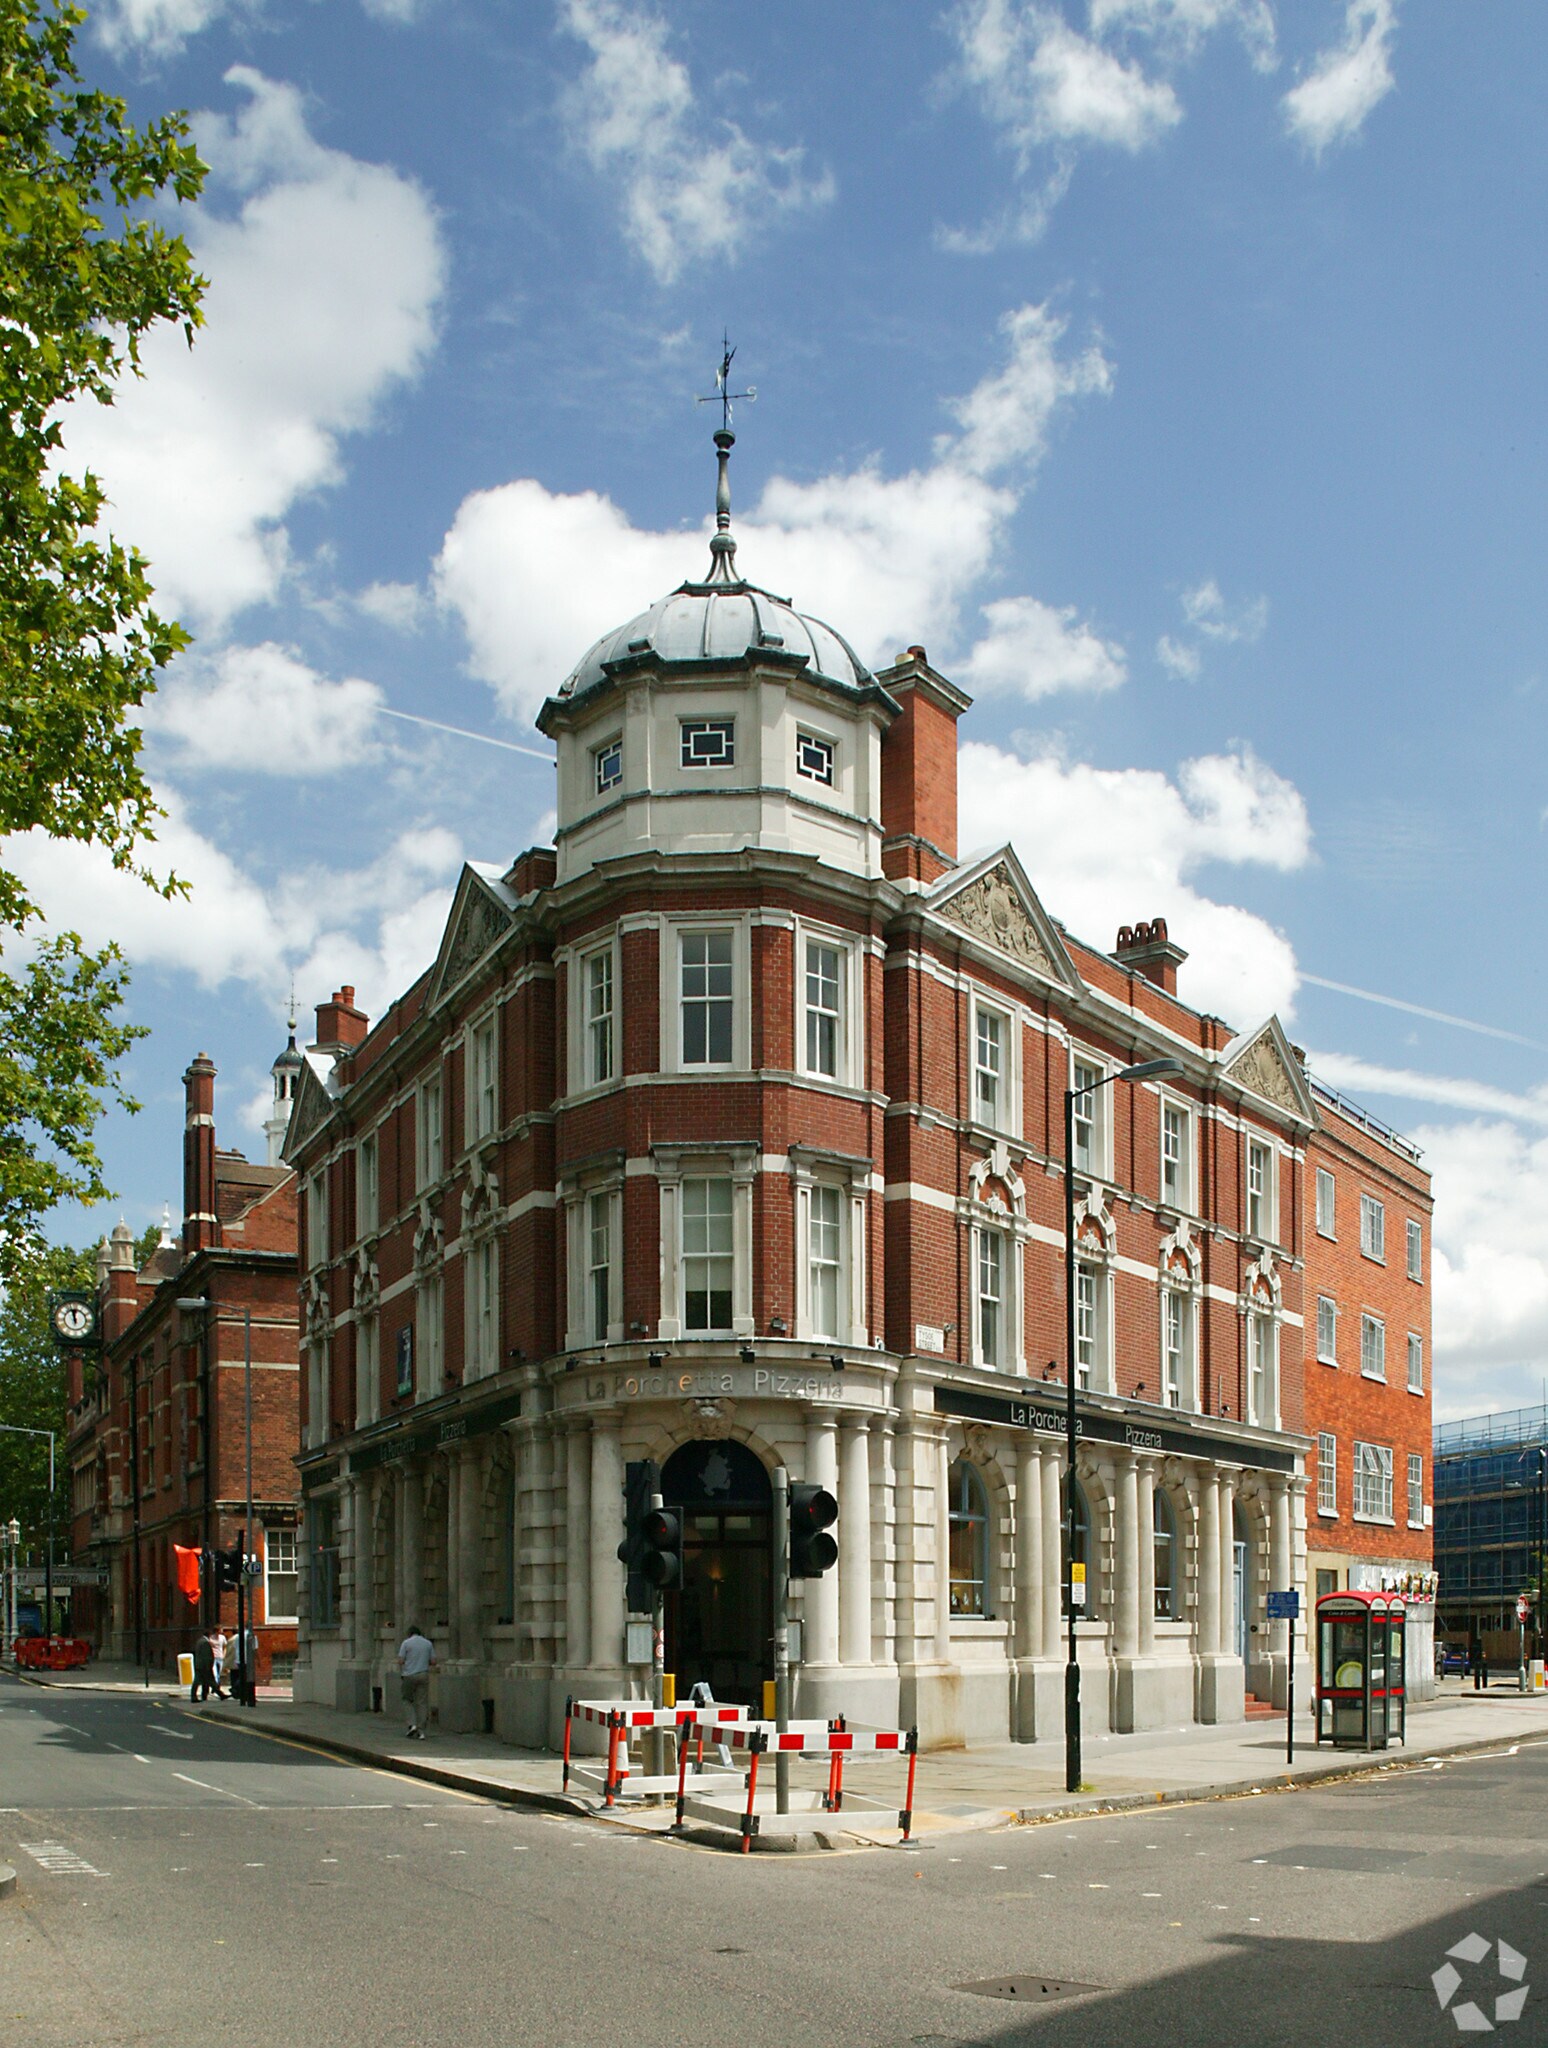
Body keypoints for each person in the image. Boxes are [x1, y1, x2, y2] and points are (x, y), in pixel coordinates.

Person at [397, 1624, 434, 1740]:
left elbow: (401, 1660)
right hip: (423, 1674)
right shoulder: (428, 1643)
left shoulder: (406, 1643)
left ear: (410, 1633)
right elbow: (433, 1661)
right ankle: (421, 1730)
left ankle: (412, 1724)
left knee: (407, 1700)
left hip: (409, 1675)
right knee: (422, 1702)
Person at [191, 1632, 216, 1703]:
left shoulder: (199, 1641)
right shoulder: (205, 1642)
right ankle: (198, 1696)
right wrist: (208, 1665)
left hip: (199, 1665)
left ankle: (201, 1696)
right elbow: (206, 1655)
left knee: (205, 1681)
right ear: (209, 1635)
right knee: (207, 1681)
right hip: (204, 1666)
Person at [209, 1627, 228, 1699]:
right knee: (215, 1674)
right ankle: (216, 1689)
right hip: (213, 1657)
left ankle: (216, 1688)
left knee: (219, 1674)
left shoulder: (222, 1637)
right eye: (221, 1629)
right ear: (217, 1630)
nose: (222, 1631)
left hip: (220, 1657)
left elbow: (225, 1646)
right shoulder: (211, 1638)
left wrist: (224, 1654)